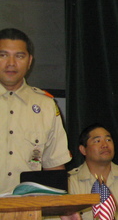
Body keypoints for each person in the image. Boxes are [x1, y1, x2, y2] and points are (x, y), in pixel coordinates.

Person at [0, 28, 70, 195]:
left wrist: (62, 210)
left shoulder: (46, 106)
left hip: (28, 212)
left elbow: (54, 166)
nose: (11, 63)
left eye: (19, 56)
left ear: (30, 61)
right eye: (3, 55)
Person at [64, 123, 118, 220]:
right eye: (97, 141)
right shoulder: (69, 182)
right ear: (83, 150)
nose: (105, 145)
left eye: (108, 140)